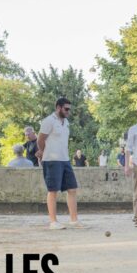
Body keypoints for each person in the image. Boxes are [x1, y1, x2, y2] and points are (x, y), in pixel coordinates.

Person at [36, 97, 83, 230]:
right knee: (53, 191)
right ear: (58, 107)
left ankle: (73, 220)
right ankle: (53, 222)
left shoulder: (66, 122)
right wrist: (42, 151)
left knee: (72, 189)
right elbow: (40, 139)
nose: (68, 112)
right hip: (51, 160)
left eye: (69, 109)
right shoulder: (48, 121)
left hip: (65, 159)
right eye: (66, 109)